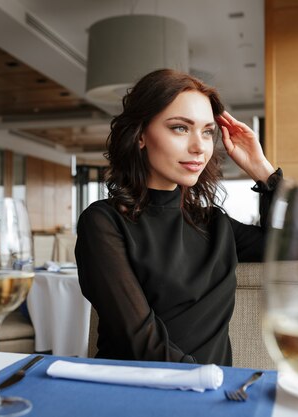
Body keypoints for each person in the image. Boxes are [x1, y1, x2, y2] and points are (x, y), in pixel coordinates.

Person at [75, 69, 283, 366]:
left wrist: (262, 170)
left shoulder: (215, 225)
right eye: (180, 128)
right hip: (136, 394)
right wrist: (206, 383)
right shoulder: (103, 222)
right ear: (141, 136)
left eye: (208, 131)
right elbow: (140, 342)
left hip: (210, 395)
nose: (199, 147)